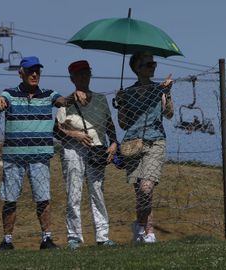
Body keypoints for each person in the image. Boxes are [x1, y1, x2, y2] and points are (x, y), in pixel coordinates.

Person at [0, 56, 87, 250]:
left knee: (43, 198)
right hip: (13, 156)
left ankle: (47, 238)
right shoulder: (9, 94)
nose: (34, 74)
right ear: (21, 73)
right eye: (29, 71)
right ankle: (7, 241)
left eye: (37, 71)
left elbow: (63, 101)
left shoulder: (48, 94)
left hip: (40, 155)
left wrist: (74, 94)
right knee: (10, 199)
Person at [54, 60, 118, 249]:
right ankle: (74, 236)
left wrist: (114, 142)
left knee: (97, 192)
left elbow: (108, 124)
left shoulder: (100, 99)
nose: (83, 77)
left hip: (97, 149)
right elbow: (56, 130)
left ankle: (102, 235)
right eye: (79, 74)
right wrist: (73, 134)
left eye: (86, 73)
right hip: (72, 150)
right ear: (72, 78)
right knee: (73, 193)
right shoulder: (65, 102)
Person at [115, 51, 174, 243]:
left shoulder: (159, 90)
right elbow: (123, 124)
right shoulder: (128, 92)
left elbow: (169, 114)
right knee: (139, 191)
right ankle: (144, 231)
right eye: (148, 64)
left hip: (155, 141)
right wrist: (121, 102)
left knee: (146, 187)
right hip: (132, 144)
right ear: (137, 68)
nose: (153, 67)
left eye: (153, 64)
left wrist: (167, 93)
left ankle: (147, 232)